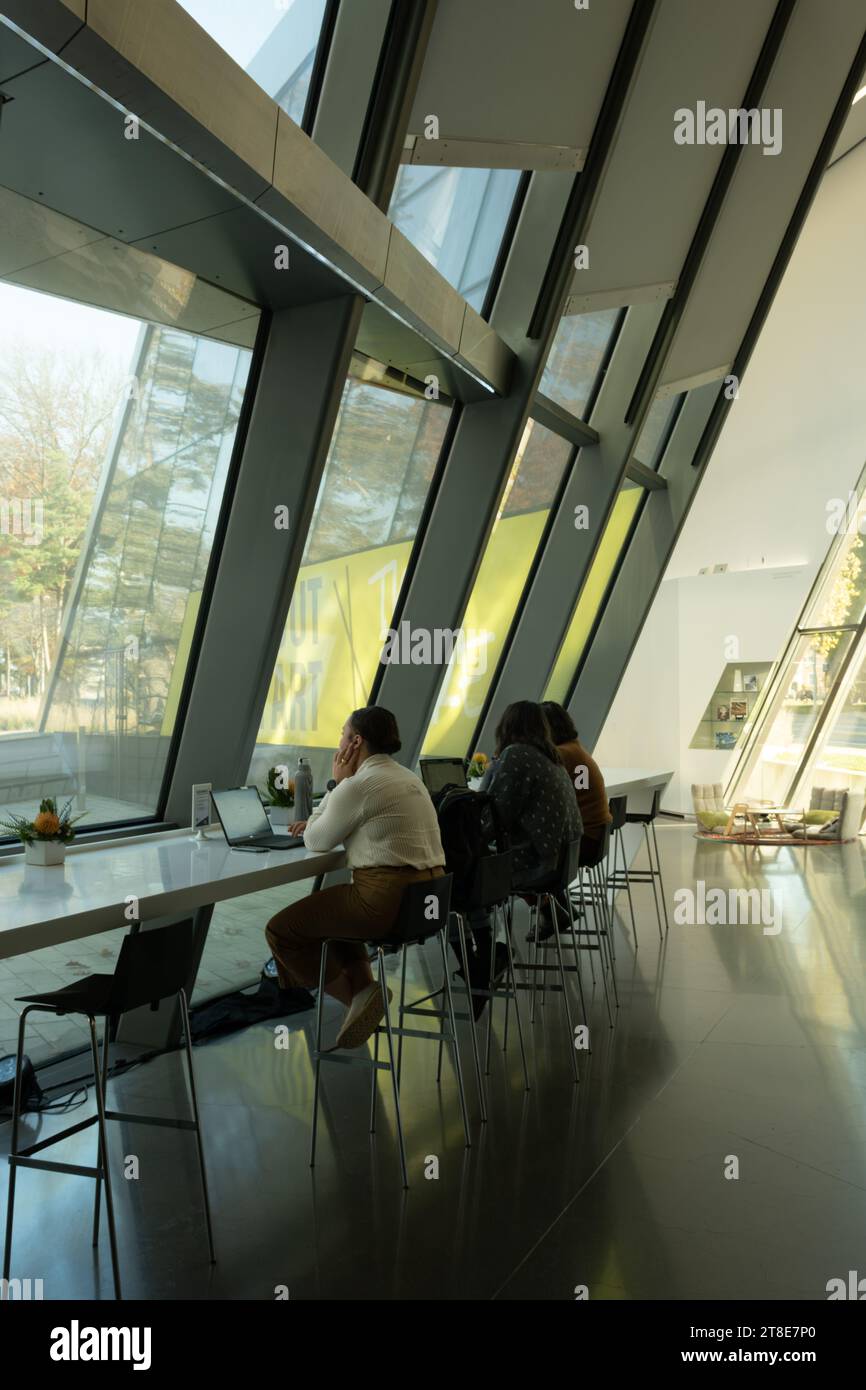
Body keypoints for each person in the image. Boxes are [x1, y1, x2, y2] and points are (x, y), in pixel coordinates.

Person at [265, 707, 445, 1049]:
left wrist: (337, 784)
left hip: (387, 900)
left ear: (355, 741)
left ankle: (357, 1003)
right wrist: (332, 809)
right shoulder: (408, 778)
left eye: (342, 734)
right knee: (332, 917)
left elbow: (316, 841)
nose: (339, 741)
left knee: (281, 931)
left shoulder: (358, 784)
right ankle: (365, 990)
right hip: (427, 899)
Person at [475, 702, 582, 947]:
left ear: (506, 726)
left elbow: (497, 814)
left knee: (469, 864)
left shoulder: (517, 754)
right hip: (562, 859)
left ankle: (482, 949)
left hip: (541, 863)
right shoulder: (551, 757)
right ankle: (552, 909)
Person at [540, 702, 611, 855]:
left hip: (582, 840)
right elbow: (580, 791)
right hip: (596, 835)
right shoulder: (576, 751)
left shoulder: (561, 754)